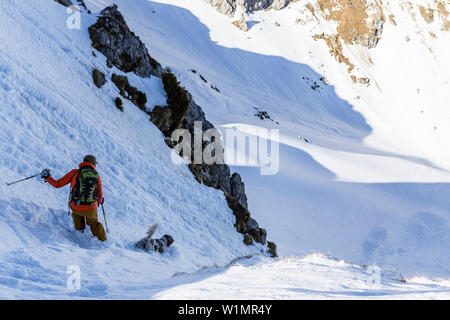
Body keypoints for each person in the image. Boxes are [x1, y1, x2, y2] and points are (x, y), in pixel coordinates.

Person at [41, 155, 107, 242]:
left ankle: (80, 233)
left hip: (76, 206)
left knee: (77, 214)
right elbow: (100, 196)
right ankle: (103, 241)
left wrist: (47, 177)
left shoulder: (75, 172)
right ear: (93, 164)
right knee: (94, 223)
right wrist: (99, 200)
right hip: (91, 208)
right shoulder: (96, 176)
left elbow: (57, 184)